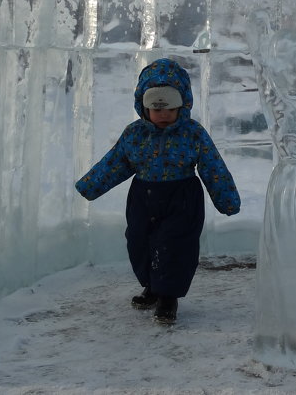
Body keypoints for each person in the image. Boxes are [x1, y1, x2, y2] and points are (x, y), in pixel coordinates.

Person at [75, 58, 241, 325]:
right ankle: (152, 287)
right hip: (143, 196)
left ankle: (168, 298)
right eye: (156, 108)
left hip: (182, 197)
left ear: (183, 105)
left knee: (173, 245)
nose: (163, 114)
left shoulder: (192, 134)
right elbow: (117, 162)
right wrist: (91, 185)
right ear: (144, 106)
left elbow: (213, 166)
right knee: (139, 241)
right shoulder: (135, 134)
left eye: (170, 108)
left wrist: (226, 199)